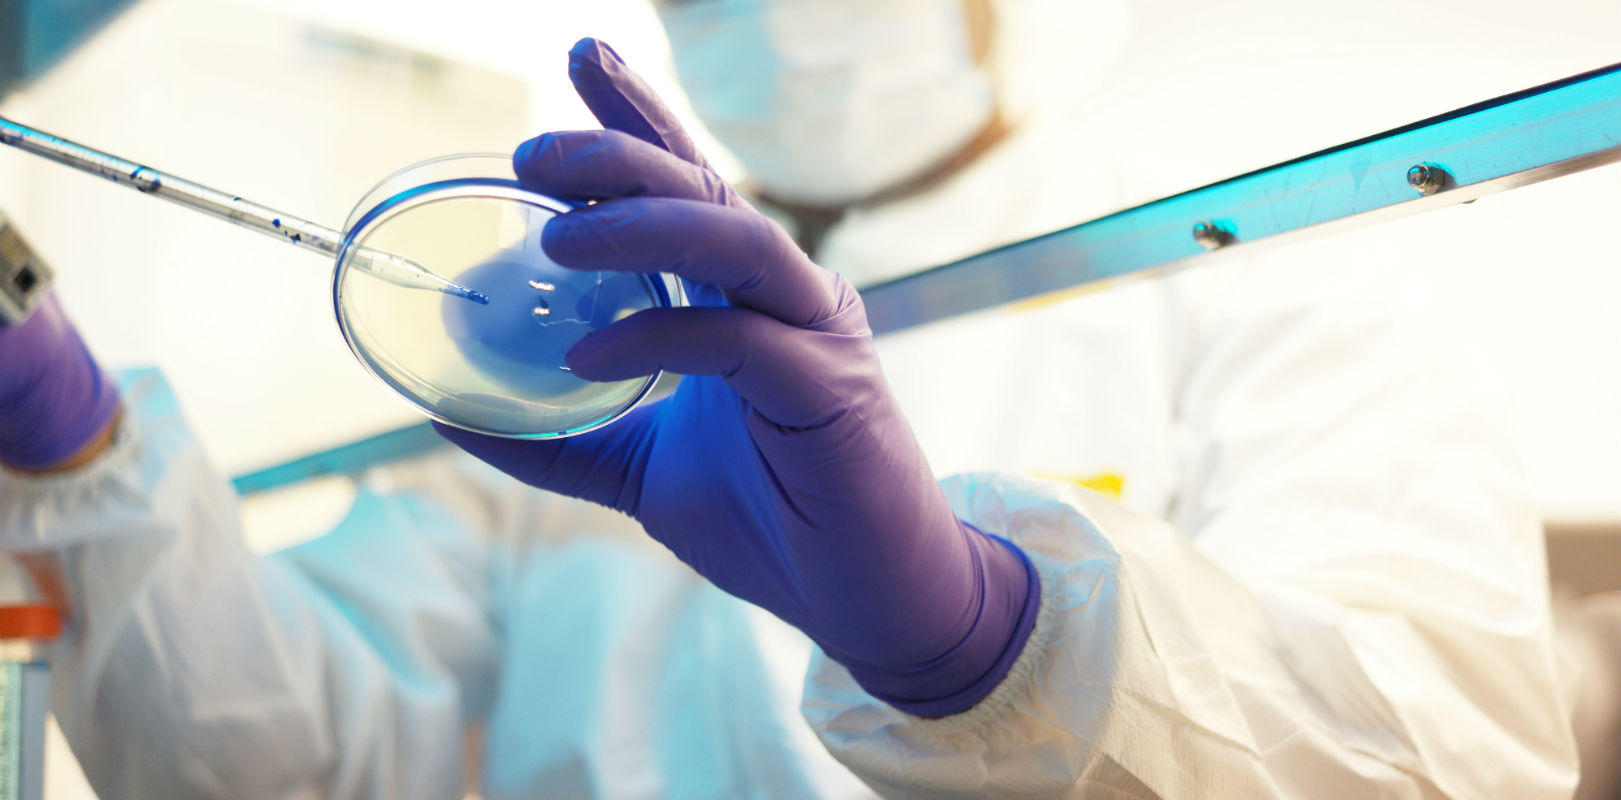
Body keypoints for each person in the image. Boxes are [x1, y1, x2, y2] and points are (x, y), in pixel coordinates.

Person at [0, 3, 1580, 798]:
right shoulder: (600, 335)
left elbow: (1452, 751)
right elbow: (284, 762)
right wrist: (75, 442)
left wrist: (993, 641)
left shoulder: (1242, 258)